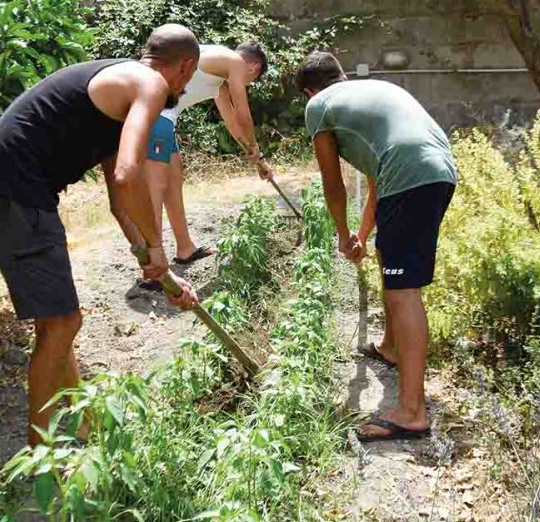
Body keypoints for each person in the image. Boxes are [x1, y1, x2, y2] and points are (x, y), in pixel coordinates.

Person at [0, 24, 202, 446]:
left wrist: (160, 273)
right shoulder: (148, 84)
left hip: (14, 192)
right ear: (185, 68)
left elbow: (120, 202)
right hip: (17, 195)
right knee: (62, 322)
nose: (184, 89)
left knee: (58, 320)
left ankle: (84, 425)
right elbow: (129, 173)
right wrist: (157, 247)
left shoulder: (122, 95)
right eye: (188, 80)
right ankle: (41, 456)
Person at [297, 51, 457, 443]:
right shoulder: (372, 92)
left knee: (403, 290)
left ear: (307, 91)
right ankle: (390, 347)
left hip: (410, 176)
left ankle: (411, 413)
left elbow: (332, 183)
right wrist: (363, 235)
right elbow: (375, 183)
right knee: (392, 255)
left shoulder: (319, 106)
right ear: (344, 75)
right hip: (437, 170)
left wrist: (341, 234)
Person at [142, 42, 272, 274]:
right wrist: (254, 145)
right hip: (153, 112)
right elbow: (243, 114)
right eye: (253, 79)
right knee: (156, 189)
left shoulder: (218, 78)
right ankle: (153, 268)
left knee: (174, 181)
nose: (248, 82)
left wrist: (257, 159)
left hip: (164, 116)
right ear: (253, 68)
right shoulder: (233, 62)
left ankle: (185, 248)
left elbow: (232, 121)